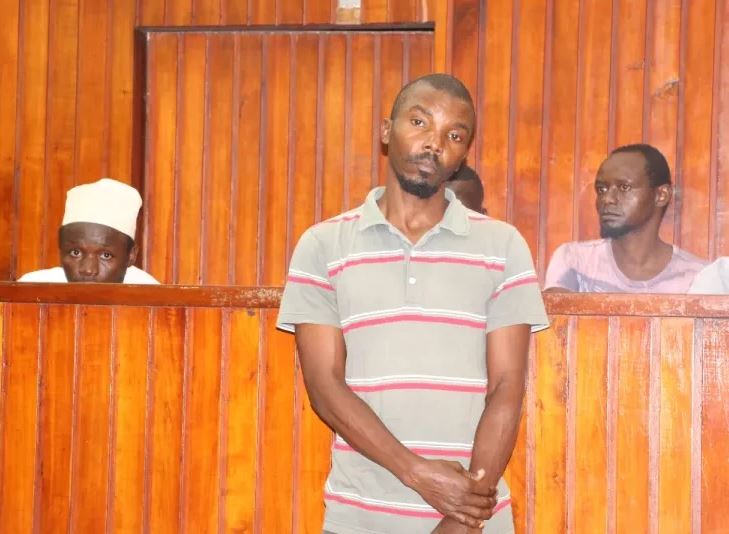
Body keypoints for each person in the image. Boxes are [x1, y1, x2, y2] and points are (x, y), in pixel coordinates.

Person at [278, 73, 548, 534]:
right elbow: (324, 386)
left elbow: (507, 386)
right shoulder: (323, 245)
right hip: (359, 517)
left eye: (454, 135)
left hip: (472, 521)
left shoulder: (503, 246)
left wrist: (462, 517)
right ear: (387, 131)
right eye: (420, 122)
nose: (434, 144)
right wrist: (418, 474)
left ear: (463, 154)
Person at [544, 144, 707, 293]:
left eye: (624, 187)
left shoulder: (698, 278)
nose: (607, 199)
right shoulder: (574, 261)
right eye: (601, 189)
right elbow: (555, 316)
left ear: (661, 195)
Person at [18, 178, 159, 284]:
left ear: (131, 256)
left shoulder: (153, 300)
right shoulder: (31, 292)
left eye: (105, 255)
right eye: (75, 252)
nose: (88, 270)